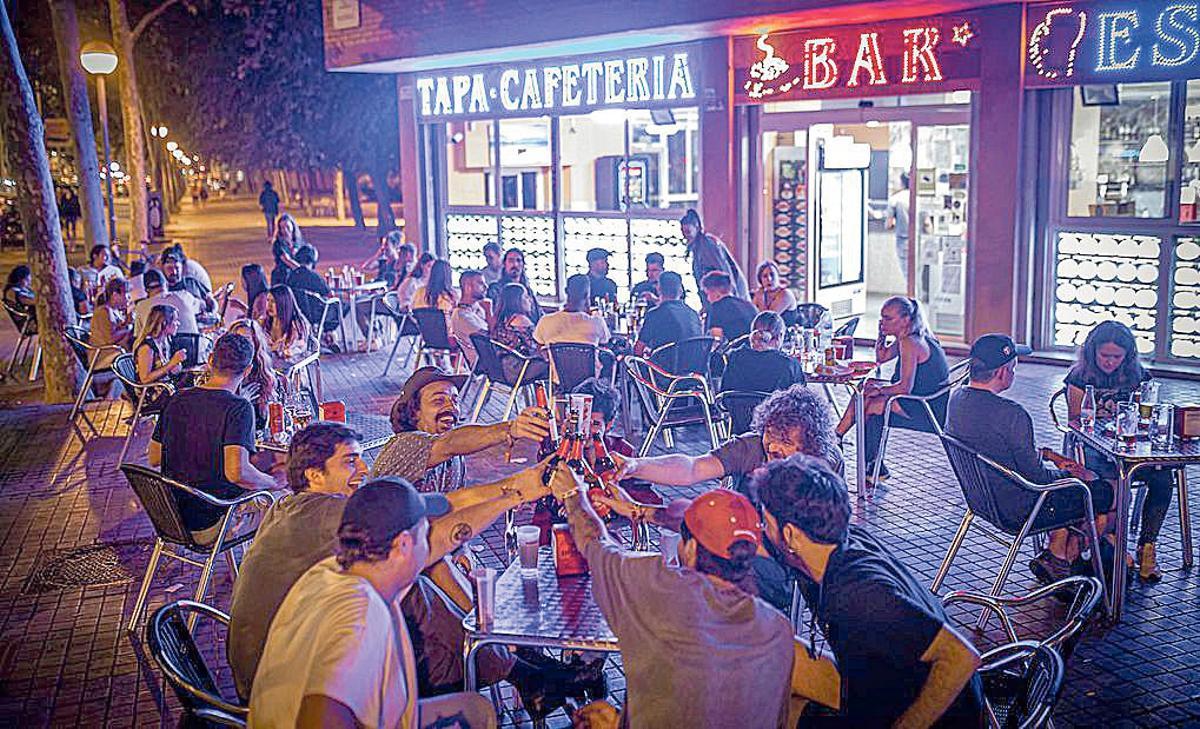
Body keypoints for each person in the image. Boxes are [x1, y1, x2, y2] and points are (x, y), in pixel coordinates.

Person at [229, 424, 597, 713]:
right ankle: (518, 670)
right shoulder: (332, 514)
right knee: (414, 578)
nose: (364, 469)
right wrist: (515, 496)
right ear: (314, 475)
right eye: (350, 462)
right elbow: (433, 536)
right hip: (288, 684)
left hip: (282, 661)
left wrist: (518, 484)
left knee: (417, 573)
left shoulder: (294, 507)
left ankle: (521, 668)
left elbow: (445, 504)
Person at [547, 462, 794, 729]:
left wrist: (574, 494)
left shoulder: (653, 586)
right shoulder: (778, 630)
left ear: (689, 548)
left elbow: (593, 542)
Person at [752, 456, 984, 727]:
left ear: (790, 535)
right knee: (778, 655)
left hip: (930, 713)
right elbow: (751, 543)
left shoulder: (860, 596)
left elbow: (961, 657)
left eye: (765, 523)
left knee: (785, 713)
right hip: (884, 689)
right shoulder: (835, 543)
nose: (762, 531)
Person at [247, 478, 497, 729]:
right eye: (426, 534)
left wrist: (510, 496)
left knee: (476, 709)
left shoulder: (331, 570)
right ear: (403, 545)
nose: (431, 544)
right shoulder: (363, 613)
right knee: (476, 711)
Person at [370, 366, 552, 606]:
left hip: (427, 551)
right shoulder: (405, 445)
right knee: (452, 579)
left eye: (454, 400)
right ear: (414, 413)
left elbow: (455, 506)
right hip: (386, 564)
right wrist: (510, 429)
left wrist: (462, 549)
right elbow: (449, 443)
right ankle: (488, 635)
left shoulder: (454, 460)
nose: (450, 407)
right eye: (438, 400)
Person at [946, 333, 1114, 584]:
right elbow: (1039, 478)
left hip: (983, 501)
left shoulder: (956, 398)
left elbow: (997, 449)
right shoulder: (1012, 414)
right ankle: (1069, 559)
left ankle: (1057, 554)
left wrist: (1049, 456)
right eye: (1014, 367)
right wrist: (1073, 474)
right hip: (1023, 508)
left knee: (1080, 489)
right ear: (1003, 372)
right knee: (1111, 490)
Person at [1063, 321, 1173, 581]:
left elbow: (1151, 413)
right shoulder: (1080, 376)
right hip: (1091, 447)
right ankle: (1110, 541)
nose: (1110, 362)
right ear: (1093, 352)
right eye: (1105, 356)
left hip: (1131, 447)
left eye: (1117, 356)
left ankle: (1147, 546)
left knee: (1163, 479)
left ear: (1127, 356)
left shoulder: (1138, 376)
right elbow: (1075, 422)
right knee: (1107, 477)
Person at [148, 333, 281, 542]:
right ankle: (262, 571)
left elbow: (154, 457)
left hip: (172, 518)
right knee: (283, 499)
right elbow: (237, 473)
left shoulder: (177, 398)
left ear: (210, 360)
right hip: (212, 521)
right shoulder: (238, 408)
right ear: (247, 371)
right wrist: (272, 482)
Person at [836, 296, 949, 483]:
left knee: (868, 404)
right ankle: (871, 464)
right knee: (867, 391)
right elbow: (882, 357)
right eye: (881, 318)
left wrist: (880, 390)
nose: (882, 322)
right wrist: (881, 334)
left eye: (888, 318)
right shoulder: (907, 336)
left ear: (905, 320)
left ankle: (841, 439)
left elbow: (904, 387)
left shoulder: (911, 343)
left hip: (926, 408)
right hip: (922, 399)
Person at [720, 311, 806, 394]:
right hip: (773, 409)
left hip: (735, 409)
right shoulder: (789, 364)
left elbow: (724, 392)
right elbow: (800, 397)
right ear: (779, 336)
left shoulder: (734, 357)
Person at [681, 208, 748, 311]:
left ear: (697, 228)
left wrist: (731, 299)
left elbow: (724, 273)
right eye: (683, 232)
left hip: (726, 299)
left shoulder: (708, 245)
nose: (685, 236)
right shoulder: (698, 248)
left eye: (688, 232)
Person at [533, 273, 611, 357]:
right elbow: (605, 344)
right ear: (587, 295)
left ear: (566, 291)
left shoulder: (546, 321)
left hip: (557, 370)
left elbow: (540, 352)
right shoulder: (596, 322)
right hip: (590, 370)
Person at [490, 282, 549, 383]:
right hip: (519, 369)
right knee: (557, 365)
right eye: (526, 297)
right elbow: (536, 346)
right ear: (517, 301)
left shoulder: (502, 319)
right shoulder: (521, 320)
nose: (530, 300)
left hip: (504, 368)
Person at [227, 318, 278, 430]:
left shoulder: (264, 377)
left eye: (246, 340)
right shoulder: (223, 374)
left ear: (256, 343)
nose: (240, 345)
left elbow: (268, 423)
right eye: (236, 339)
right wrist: (240, 402)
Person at [633, 271, 700, 356]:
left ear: (658, 289)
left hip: (664, 367)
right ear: (680, 290)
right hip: (693, 367)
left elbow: (638, 349)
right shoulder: (693, 314)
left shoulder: (655, 314)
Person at [287, 244, 346, 340]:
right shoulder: (314, 276)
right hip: (315, 314)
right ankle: (329, 332)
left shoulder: (291, 276)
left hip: (296, 312)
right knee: (341, 305)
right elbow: (330, 295)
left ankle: (325, 335)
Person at [131, 303, 187, 394]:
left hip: (165, 389)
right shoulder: (147, 347)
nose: (178, 324)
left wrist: (173, 368)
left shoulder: (165, 342)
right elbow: (144, 379)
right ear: (164, 323)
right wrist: (171, 364)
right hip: (151, 395)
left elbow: (162, 370)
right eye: (175, 320)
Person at [134, 269, 200, 337]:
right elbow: (203, 307)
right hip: (195, 343)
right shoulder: (185, 295)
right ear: (166, 285)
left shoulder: (141, 306)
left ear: (147, 291)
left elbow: (137, 336)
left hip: (167, 345)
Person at [487, 248, 543, 322]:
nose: (515, 264)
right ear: (504, 264)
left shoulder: (528, 291)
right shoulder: (495, 289)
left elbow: (539, 314)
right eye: (511, 260)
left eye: (518, 260)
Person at [702, 270, 757, 342]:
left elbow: (715, 342)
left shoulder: (716, 308)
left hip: (735, 352)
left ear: (715, 293)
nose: (708, 299)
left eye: (707, 294)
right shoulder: (749, 305)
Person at [449, 270, 490, 366]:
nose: (486, 287)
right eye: (480, 283)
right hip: (488, 364)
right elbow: (491, 338)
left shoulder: (476, 309)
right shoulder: (462, 316)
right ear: (468, 287)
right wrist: (489, 312)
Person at [262, 285, 311, 364]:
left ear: (283, 303)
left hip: (291, 370)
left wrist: (275, 350)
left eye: (273, 302)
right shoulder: (265, 323)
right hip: (269, 367)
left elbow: (297, 351)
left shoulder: (297, 326)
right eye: (268, 300)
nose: (269, 305)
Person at [91, 277, 134, 364]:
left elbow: (117, 328)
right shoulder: (103, 311)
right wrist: (128, 330)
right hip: (104, 355)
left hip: (114, 349)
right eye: (126, 293)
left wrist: (127, 322)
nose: (129, 297)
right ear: (115, 295)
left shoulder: (114, 310)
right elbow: (110, 338)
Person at [161, 248, 216, 314]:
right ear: (163, 268)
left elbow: (210, 301)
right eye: (170, 268)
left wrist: (211, 310)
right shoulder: (161, 289)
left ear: (182, 267)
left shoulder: (192, 282)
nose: (174, 272)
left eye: (177, 268)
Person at [269, 213, 304, 287]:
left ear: (293, 226)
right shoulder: (278, 244)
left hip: (296, 276)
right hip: (282, 277)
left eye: (287, 227)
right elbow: (287, 260)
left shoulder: (298, 241)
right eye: (282, 227)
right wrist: (303, 272)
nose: (285, 230)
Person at [887, 172, 911, 280]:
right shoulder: (919, 198)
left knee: (907, 274)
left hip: (903, 241)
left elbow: (889, 224)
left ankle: (910, 295)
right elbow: (927, 223)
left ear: (902, 183)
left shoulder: (895, 199)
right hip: (919, 241)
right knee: (918, 274)